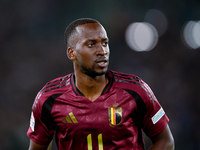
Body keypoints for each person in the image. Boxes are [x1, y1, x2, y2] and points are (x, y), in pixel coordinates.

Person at [27, 18, 174, 150]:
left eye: (105, 43)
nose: (102, 51)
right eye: (91, 44)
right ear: (72, 53)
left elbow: (166, 141)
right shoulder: (48, 99)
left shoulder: (135, 90)